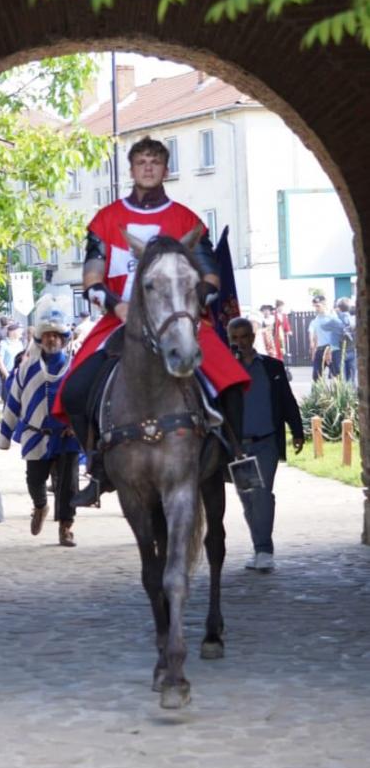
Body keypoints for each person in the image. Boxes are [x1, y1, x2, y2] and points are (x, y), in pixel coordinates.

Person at [59, 135, 251, 505]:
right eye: (141, 162)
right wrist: (117, 307)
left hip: (182, 318)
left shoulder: (186, 220)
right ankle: (97, 468)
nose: (148, 167)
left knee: (229, 378)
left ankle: (237, 457)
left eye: (155, 161)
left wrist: (188, 306)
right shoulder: (106, 220)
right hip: (121, 320)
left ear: (165, 169)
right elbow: (91, 280)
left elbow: (211, 278)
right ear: (131, 169)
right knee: (75, 389)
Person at [0, 297, 81, 547]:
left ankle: (66, 528)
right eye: (48, 336)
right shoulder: (27, 368)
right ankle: (40, 506)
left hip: (67, 436)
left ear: (63, 339)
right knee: (34, 481)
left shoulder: (74, 367)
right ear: (41, 339)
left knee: (68, 486)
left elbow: (82, 401)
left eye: (56, 335)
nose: (52, 340)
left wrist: (77, 425)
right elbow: (14, 401)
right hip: (36, 435)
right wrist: (5, 436)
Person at [227, 316, 305, 573]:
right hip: (239, 448)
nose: (241, 342)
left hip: (266, 442)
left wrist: (297, 430)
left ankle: (264, 550)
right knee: (248, 498)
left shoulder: (272, 367)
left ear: (253, 336)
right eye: (234, 338)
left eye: (244, 336)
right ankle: (258, 548)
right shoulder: (226, 370)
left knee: (261, 495)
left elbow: (286, 400)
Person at [308, 295, 345, 381]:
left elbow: (338, 335)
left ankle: (337, 394)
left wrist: (331, 350)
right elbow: (315, 336)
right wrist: (314, 351)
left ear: (324, 305)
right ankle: (318, 394)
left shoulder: (332, 318)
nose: (316, 309)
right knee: (316, 376)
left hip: (332, 350)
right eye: (314, 306)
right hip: (320, 350)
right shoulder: (316, 320)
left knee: (336, 376)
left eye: (318, 306)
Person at [335, 297, 356, 384]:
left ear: (338, 308)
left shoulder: (335, 320)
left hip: (340, 351)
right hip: (352, 350)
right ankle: (352, 396)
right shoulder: (354, 320)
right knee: (351, 378)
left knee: (342, 380)